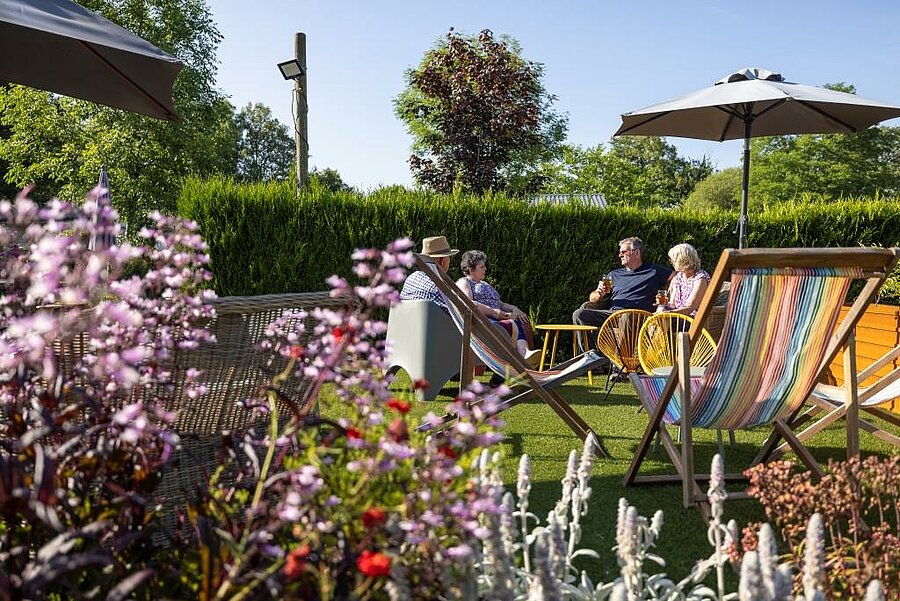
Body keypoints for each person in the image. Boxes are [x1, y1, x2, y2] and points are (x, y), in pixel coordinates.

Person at [572, 236, 673, 352]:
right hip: (612, 314)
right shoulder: (614, 274)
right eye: (620, 252)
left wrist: (666, 295)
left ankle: (619, 363)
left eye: (624, 252)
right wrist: (599, 293)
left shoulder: (654, 270)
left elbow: (676, 277)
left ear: (637, 253)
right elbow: (592, 299)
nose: (620, 255)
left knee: (627, 316)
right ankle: (591, 357)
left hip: (637, 314)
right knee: (579, 314)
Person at [456, 250, 539, 364]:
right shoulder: (464, 282)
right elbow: (469, 303)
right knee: (511, 322)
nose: (485, 269)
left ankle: (523, 355)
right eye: (482, 267)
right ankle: (521, 357)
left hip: (497, 315)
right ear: (471, 269)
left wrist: (514, 308)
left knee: (517, 318)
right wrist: (494, 312)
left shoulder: (484, 284)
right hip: (486, 319)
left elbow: (499, 303)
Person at [399, 235, 458, 310]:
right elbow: (457, 315)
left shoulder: (411, 278)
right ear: (442, 261)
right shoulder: (438, 288)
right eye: (449, 257)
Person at [657, 243, 710, 316]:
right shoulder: (679, 277)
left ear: (682, 260)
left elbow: (690, 307)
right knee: (660, 309)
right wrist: (664, 304)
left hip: (691, 319)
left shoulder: (700, 278)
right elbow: (673, 305)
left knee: (660, 316)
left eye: (673, 260)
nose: (672, 262)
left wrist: (669, 313)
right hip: (677, 317)